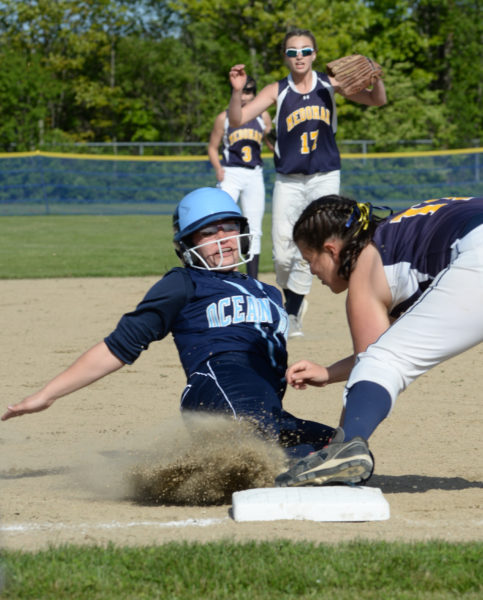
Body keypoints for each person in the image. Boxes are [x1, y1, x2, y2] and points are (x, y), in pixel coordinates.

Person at [1, 187, 335, 461]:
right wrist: (46, 396)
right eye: (209, 231)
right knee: (262, 453)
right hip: (219, 390)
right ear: (187, 244)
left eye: (229, 227)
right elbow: (119, 346)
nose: (223, 237)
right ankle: (241, 463)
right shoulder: (183, 282)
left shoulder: (270, 293)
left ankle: (243, 464)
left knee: (342, 447)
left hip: (267, 410)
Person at [274, 194, 483, 487]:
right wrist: (328, 373)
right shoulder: (395, 236)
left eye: (310, 260)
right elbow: (390, 340)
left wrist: (342, 439)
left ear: (332, 250)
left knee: (385, 361)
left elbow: (372, 361)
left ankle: (343, 453)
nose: (311, 271)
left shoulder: (365, 266)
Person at [228, 28, 387, 338]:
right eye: (292, 52)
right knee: (283, 253)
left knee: (319, 240)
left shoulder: (329, 85)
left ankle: (295, 309)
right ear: (286, 57)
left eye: (304, 51)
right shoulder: (278, 90)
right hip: (289, 180)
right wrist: (236, 91)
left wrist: (376, 78)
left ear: (314, 55)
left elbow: (377, 100)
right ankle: (296, 303)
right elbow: (237, 119)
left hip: (324, 177)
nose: (298, 56)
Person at [208, 76, 273, 280]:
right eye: (243, 91)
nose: (246, 96)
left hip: (254, 174)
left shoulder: (263, 116)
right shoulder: (225, 118)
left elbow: (272, 144)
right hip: (231, 173)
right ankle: (221, 271)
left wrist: (275, 137)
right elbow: (212, 147)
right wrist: (218, 167)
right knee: (220, 220)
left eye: (250, 91)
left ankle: (253, 279)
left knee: (254, 228)